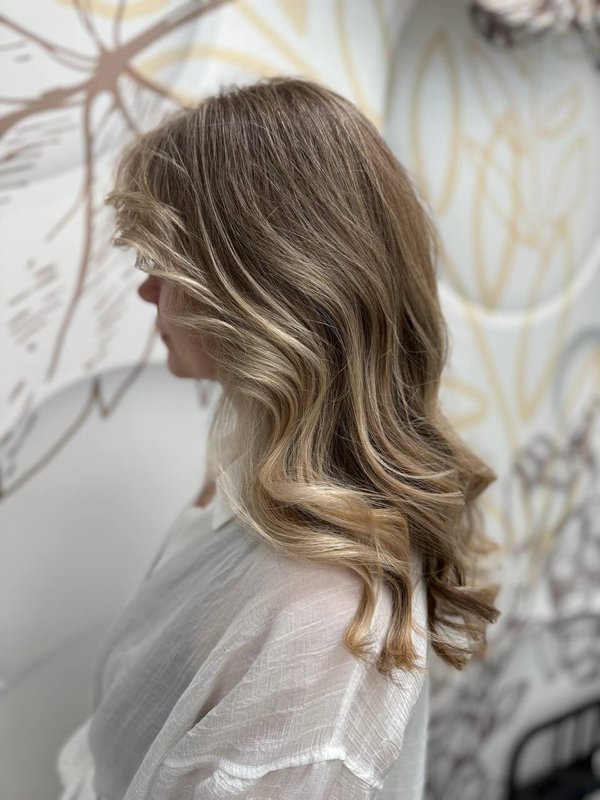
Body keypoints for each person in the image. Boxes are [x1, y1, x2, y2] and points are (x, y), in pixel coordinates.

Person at [56, 75, 501, 800]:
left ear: (258, 295)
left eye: (164, 267)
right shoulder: (253, 465)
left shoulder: (319, 615)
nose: (146, 292)